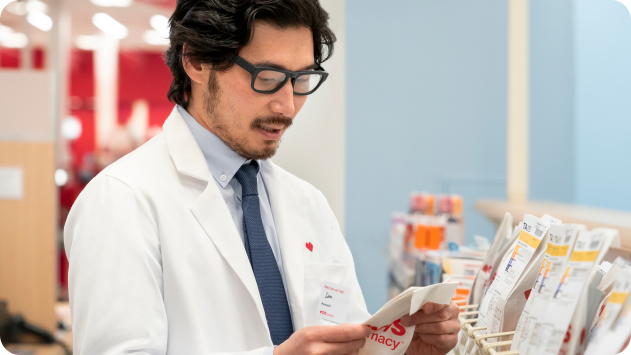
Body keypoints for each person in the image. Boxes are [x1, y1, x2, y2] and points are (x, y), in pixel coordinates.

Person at [64, 0, 461, 354]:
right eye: (268, 77)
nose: (287, 106)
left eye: (302, 80)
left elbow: (348, 338)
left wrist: (401, 351)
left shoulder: (307, 203)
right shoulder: (122, 200)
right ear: (197, 61)